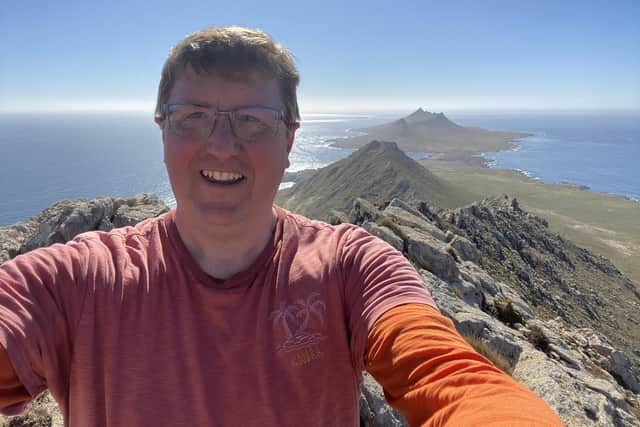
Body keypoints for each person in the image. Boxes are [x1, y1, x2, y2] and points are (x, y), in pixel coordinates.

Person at [0, 27, 563, 426]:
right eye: (194, 116)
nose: (222, 144)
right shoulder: (78, 279)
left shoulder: (350, 266)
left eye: (252, 120)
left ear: (290, 139)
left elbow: (449, 378)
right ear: (163, 130)